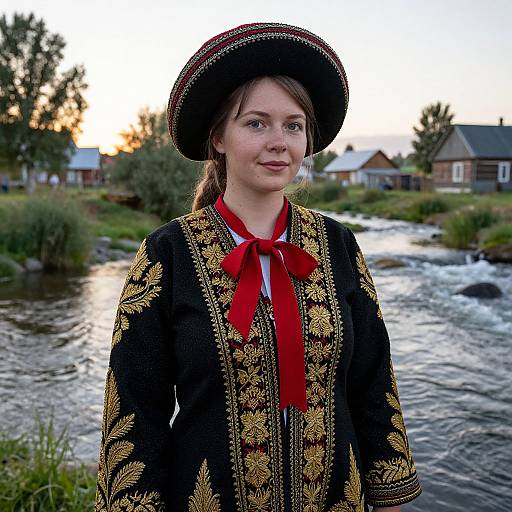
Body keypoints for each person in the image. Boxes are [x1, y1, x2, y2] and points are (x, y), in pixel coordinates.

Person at [94, 22, 421, 512]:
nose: (279, 141)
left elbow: (373, 382)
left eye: (293, 125)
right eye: (256, 123)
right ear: (218, 138)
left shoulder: (338, 245)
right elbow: (135, 412)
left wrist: (390, 498)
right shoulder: (167, 255)